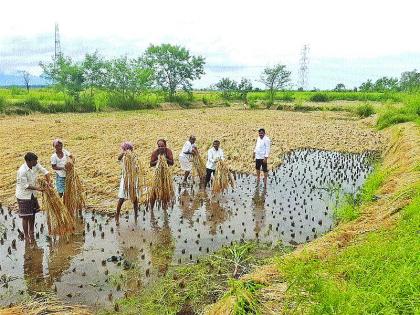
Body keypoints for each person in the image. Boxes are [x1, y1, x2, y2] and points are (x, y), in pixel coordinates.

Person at [16, 152, 51, 243]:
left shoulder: (35, 164)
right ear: (28, 161)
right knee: (25, 216)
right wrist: (39, 189)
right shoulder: (22, 171)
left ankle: (32, 232)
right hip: (24, 196)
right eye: (34, 161)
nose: (36, 162)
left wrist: (49, 181)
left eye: (36, 160)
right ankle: (26, 236)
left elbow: (45, 171)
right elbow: (25, 186)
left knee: (32, 214)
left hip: (33, 195)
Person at [115, 141, 139, 224]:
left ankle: (136, 217)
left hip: (134, 179)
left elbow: (137, 167)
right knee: (122, 197)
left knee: (135, 198)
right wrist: (124, 153)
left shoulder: (134, 156)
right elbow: (118, 158)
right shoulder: (123, 157)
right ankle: (117, 216)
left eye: (127, 148)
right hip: (125, 179)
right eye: (124, 149)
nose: (126, 150)